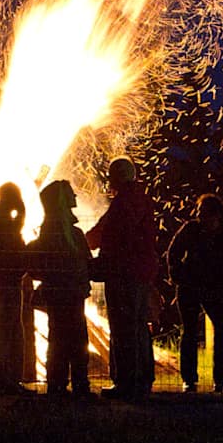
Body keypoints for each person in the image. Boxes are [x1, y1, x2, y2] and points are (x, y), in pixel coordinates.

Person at [87, 157, 159, 400]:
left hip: (122, 274)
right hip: (141, 273)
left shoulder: (122, 204)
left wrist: (79, 243)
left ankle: (126, 383)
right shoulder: (142, 200)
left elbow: (102, 234)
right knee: (139, 327)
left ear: (115, 178)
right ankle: (143, 379)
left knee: (123, 328)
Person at [167, 194, 223, 393]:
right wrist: (178, 274)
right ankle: (189, 379)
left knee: (222, 331)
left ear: (216, 215)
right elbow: (173, 253)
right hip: (190, 287)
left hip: (214, 288)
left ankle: (221, 380)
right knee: (190, 332)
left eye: (203, 213)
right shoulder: (192, 229)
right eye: (199, 213)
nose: (200, 217)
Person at [30, 180, 92, 397]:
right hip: (73, 294)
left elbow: (37, 266)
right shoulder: (73, 236)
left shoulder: (47, 234)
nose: (76, 197)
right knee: (77, 339)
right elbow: (87, 262)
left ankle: (56, 385)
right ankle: (79, 384)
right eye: (71, 195)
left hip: (57, 294)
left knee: (57, 339)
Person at [0, 183, 30, 396]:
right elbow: (13, 239)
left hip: (5, 279)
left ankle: (5, 380)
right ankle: (5, 381)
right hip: (6, 280)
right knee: (7, 330)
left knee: (8, 329)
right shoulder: (0, 219)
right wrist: (21, 211)